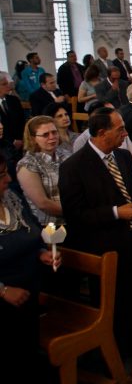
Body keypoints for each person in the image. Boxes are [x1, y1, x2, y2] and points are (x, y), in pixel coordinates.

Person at [59, 107, 132, 357]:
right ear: (102, 133)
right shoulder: (74, 167)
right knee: (116, 302)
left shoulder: (121, 156)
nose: (125, 133)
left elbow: (129, 193)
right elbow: (75, 215)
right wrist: (115, 212)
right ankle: (118, 350)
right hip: (106, 245)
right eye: (120, 129)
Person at [0, 154, 59, 378]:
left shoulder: (11, 198)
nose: (8, 179)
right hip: (5, 303)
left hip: (29, 296)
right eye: (1, 175)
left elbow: (32, 230)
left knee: (27, 354)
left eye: (6, 172)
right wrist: (3, 290)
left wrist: (41, 253)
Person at [16, 115, 69, 226]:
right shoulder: (27, 164)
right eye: (46, 134)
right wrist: (78, 211)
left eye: (54, 132)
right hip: (50, 225)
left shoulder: (66, 155)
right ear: (33, 138)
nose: (52, 137)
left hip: (76, 217)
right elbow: (43, 203)